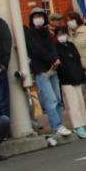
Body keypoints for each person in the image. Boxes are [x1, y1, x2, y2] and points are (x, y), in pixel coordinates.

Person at [24, 8, 69, 137]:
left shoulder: (46, 32)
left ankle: (59, 123)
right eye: (36, 16)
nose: (38, 19)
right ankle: (56, 126)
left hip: (53, 69)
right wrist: (51, 58)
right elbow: (37, 49)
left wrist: (55, 58)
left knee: (58, 99)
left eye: (40, 16)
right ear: (32, 19)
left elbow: (52, 46)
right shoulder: (30, 33)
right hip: (41, 70)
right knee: (51, 99)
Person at [53, 25, 86, 138]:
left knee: (80, 101)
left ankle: (82, 123)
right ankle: (77, 125)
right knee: (73, 103)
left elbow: (78, 60)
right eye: (59, 34)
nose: (61, 36)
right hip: (66, 80)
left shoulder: (71, 45)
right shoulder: (56, 48)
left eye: (63, 34)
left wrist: (81, 74)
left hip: (77, 77)